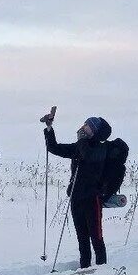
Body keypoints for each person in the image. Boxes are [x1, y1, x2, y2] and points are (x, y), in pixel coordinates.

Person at [43, 112, 114, 267]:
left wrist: (81, 140)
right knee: (82, 238)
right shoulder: (79, 146)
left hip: (92, 198)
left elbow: (88, 155)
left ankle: (102, 270)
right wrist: (49, 129)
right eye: (84, 124)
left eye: (87, 125)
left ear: (93, 131)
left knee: (96, 237)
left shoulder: (101, 149)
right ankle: (84, 270)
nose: (83, 127)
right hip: (76, 197)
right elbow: (54, 148)